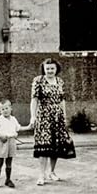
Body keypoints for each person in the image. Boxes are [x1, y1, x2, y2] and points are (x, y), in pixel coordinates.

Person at [29, 58, 74, 186]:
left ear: (56, 69)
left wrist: (64, 117)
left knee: (56, 146)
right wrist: (33, 116)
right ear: (43, 69)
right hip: (43, 116)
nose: (50, 71)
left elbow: (62, 100)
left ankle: (52, 172)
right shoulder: (38, 81)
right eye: (47, 68)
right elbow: (34, 100)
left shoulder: (60, 81)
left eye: (52, 68)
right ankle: (41, 175)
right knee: (44, 146)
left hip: (57, 117)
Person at [0, 99, 30, 189]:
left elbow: (18, 128)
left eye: (6, 108)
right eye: (2, 109)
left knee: (9, 162)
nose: (5, 110)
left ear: (11, 108)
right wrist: (0, 136)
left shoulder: (13, 119)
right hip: (2, 142)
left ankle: (8, 180)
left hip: (11, 141)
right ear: (0, 111)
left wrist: (28, 127)